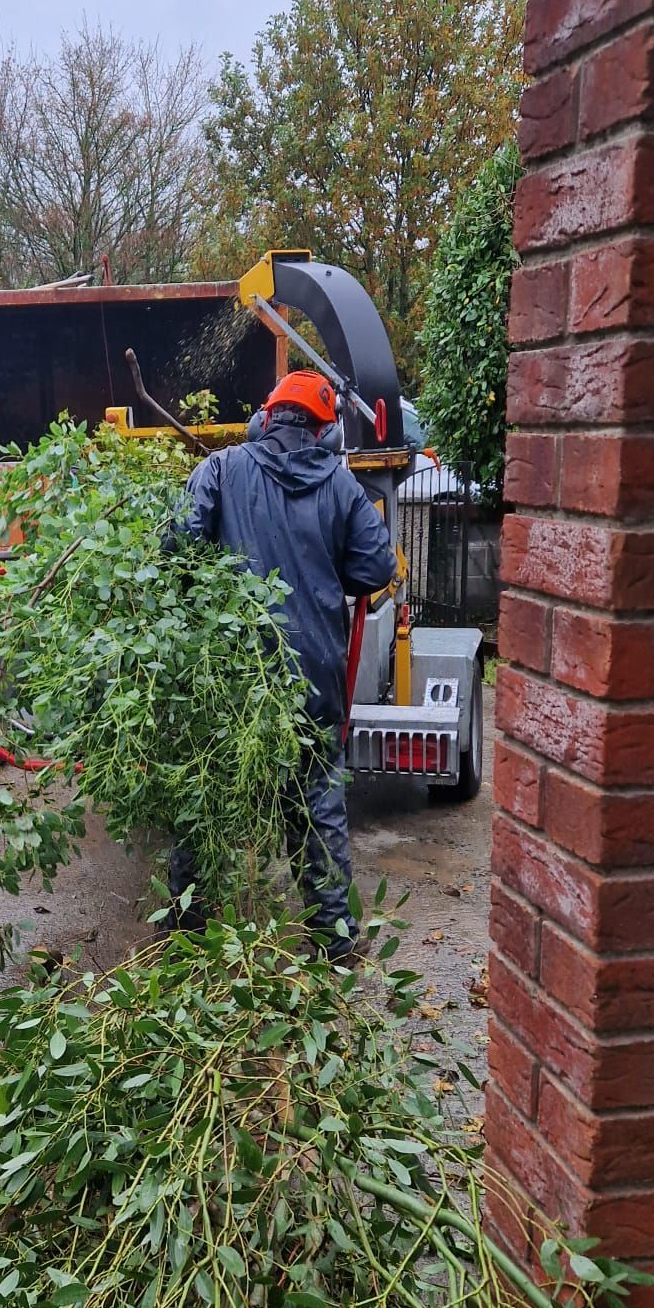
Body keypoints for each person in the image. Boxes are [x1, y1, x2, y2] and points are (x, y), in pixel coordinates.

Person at [173, 368, 397, 960]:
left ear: (265, 418)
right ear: (324, 432)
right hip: (314, 671)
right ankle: (334, 939)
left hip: (234, 669)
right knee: (317, 793)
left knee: (211, 786)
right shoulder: (343, 487)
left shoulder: (220, 469)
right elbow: (376, 570)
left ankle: (184, 926)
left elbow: (178, 551)